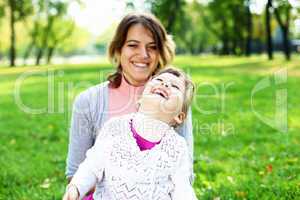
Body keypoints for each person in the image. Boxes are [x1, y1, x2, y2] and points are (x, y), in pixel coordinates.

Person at [65, 12, 194, 199]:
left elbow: (183, 180)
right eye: (133, 45)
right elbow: (80, 170)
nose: (143, 54)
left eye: (152, 47)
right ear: (118, 50)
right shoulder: (90, 103)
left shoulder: (175, 103)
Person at [63, 67, 197, 200]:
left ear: (179, 117)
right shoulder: (115, 128)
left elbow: (183, 189)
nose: (165, 84)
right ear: (139, 100)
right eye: (159, 80)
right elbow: (92, 165)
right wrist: (76, 187)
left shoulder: (177, 147)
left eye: (175, 86)